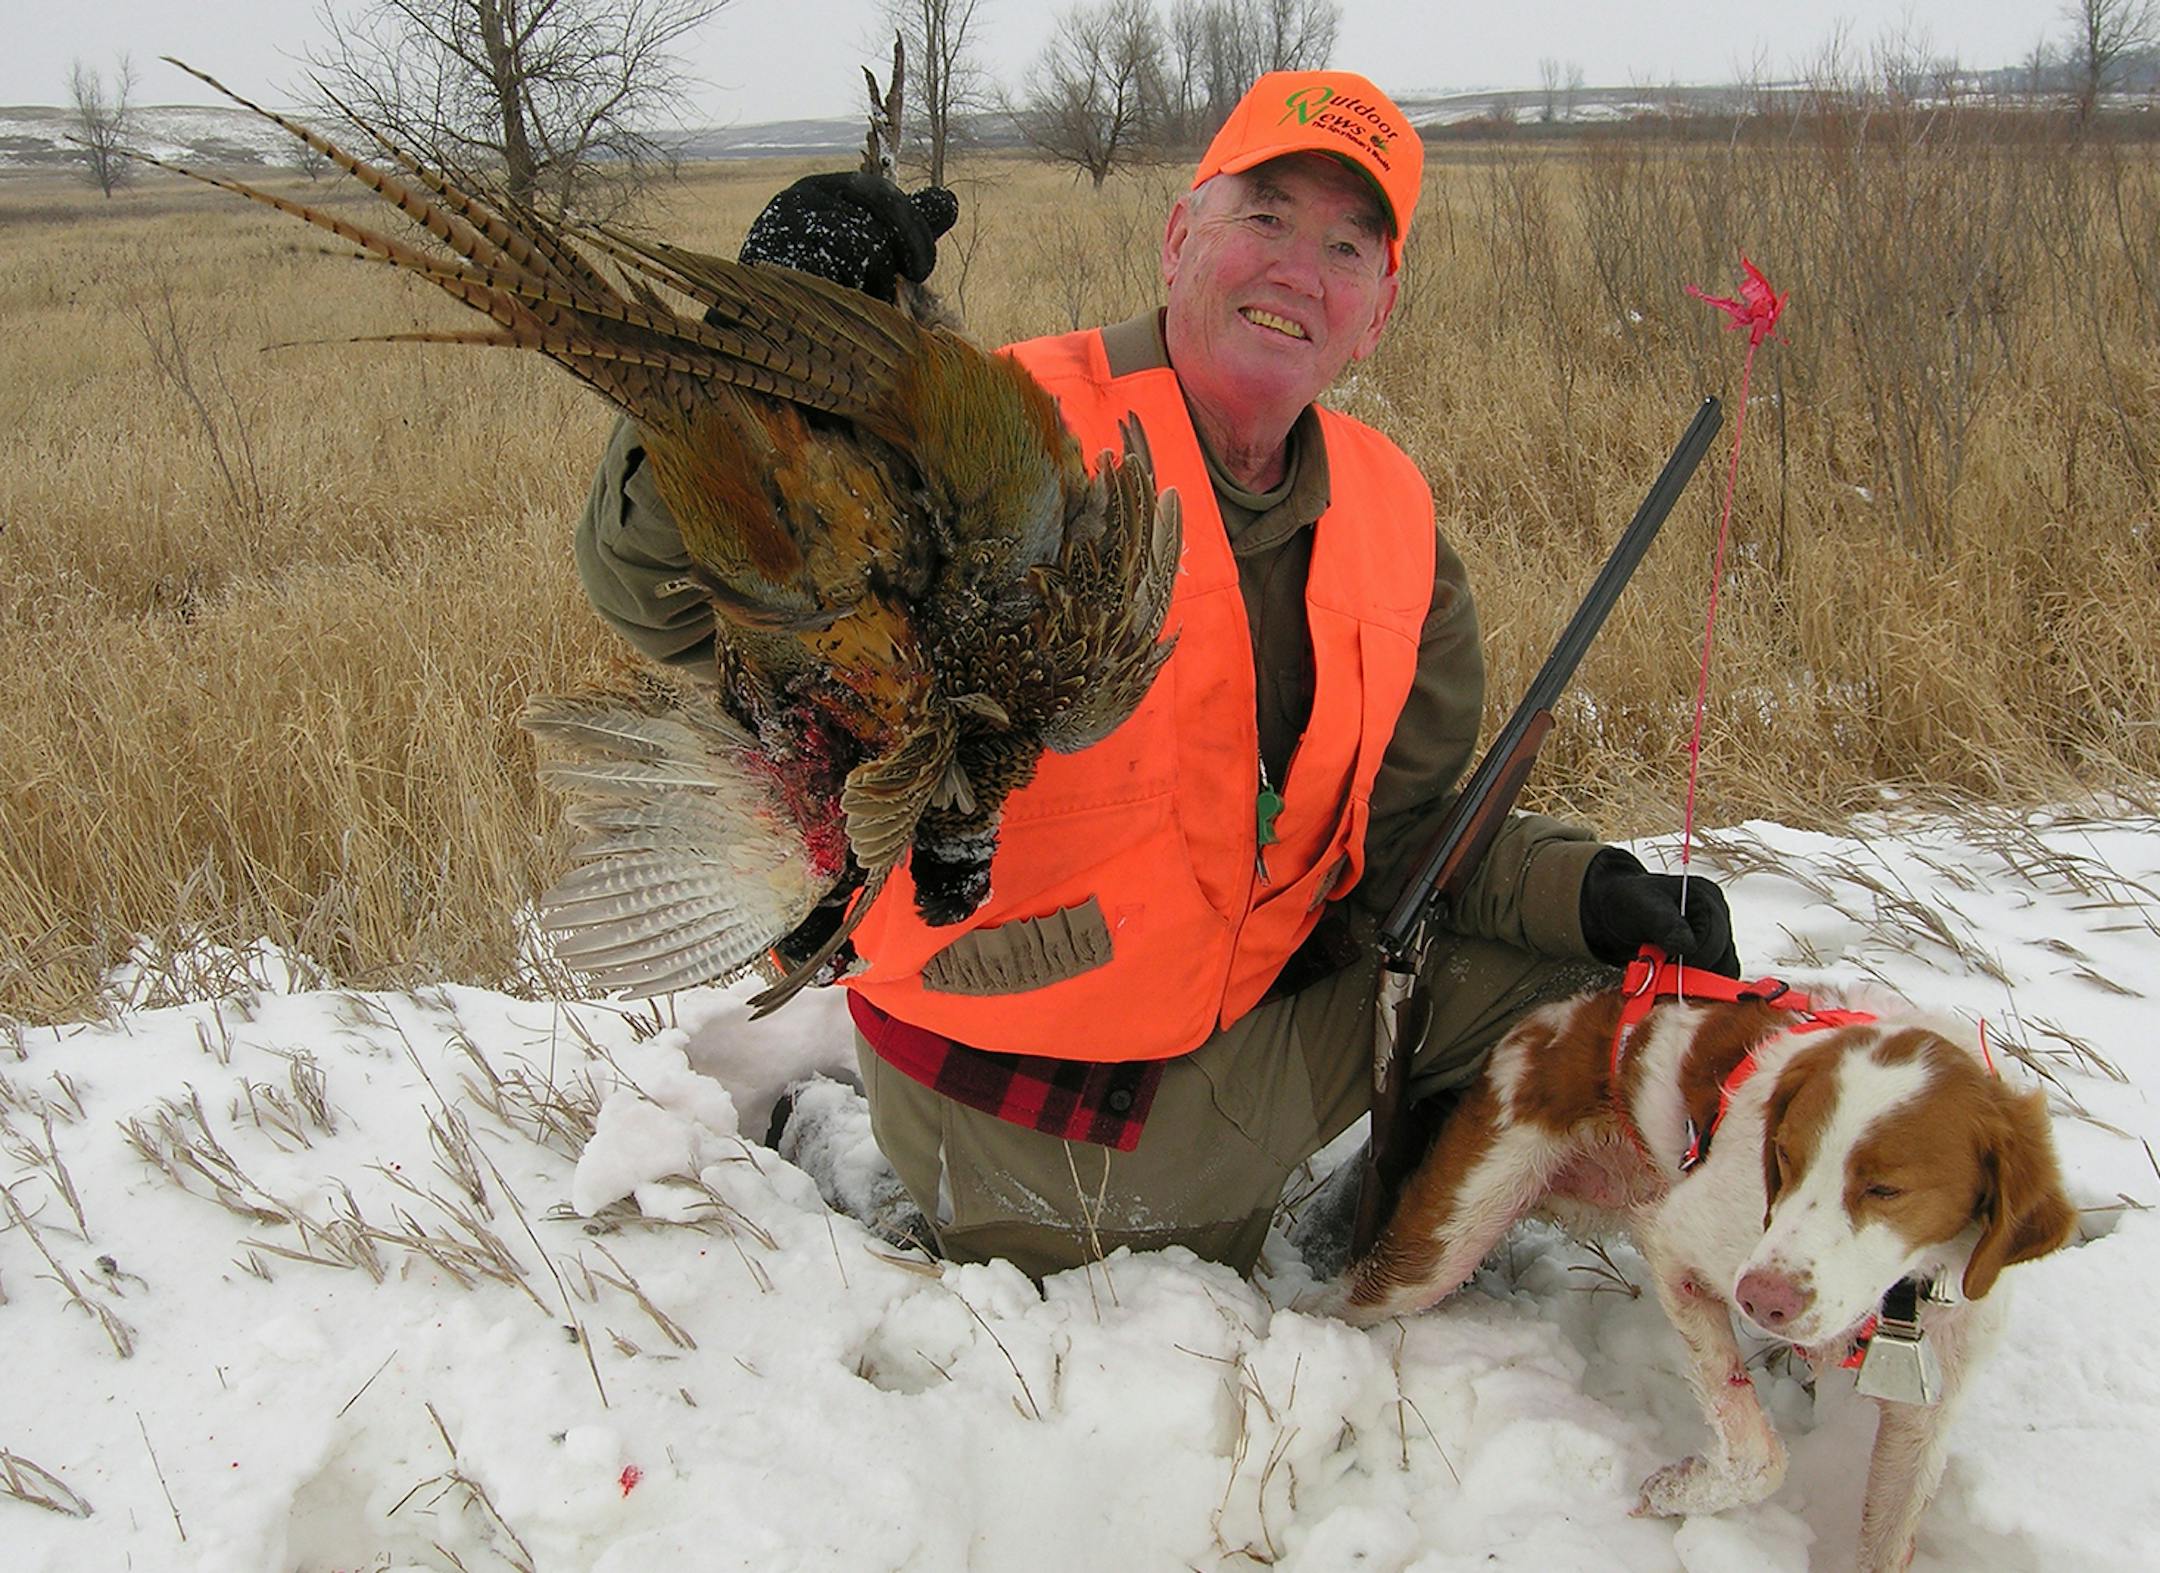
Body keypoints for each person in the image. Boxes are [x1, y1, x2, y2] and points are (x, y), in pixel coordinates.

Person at [575, 71, 1739, 1280]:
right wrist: (753, 352)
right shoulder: (996, 437)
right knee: (1125, 1260)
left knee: (1627, 997)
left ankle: (1365, 1202)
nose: (1301, 268)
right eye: (1268, 217)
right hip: (1022, 1104)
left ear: (1379, 310)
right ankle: (855, 1154)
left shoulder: (1393, 522)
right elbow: (650, 585)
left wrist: (1588, 892)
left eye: (1348, 244)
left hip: (1235, 1049)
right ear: (1181, 234)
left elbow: (1405, 846)